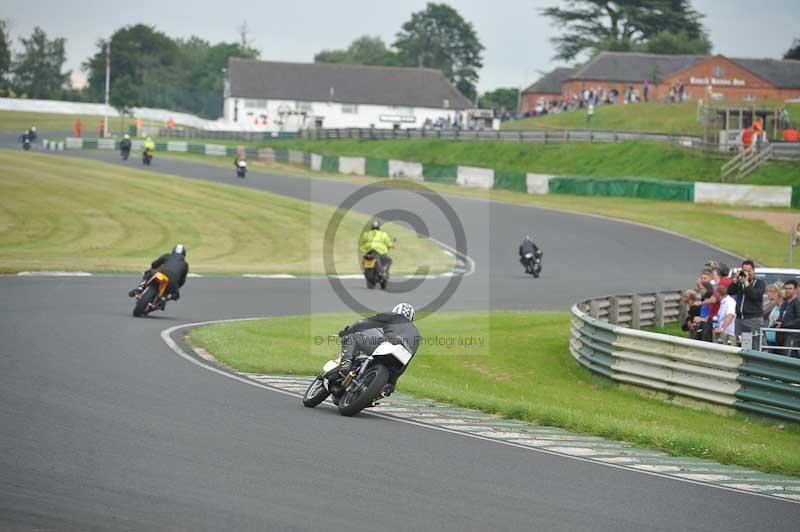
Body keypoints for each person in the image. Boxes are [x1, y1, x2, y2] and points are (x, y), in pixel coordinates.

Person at [337, 303, 419, 397]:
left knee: (352, 338)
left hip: (389, 343)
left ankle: (346, 363)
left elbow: (362, 323)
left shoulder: (393, 316)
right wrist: (392, 383)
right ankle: (380, 391)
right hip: (400, 360)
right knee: (388, 385)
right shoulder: (417, 334)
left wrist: (347, 331)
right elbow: (407, 360)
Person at [727, 260, 765, 349]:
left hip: (753, 319)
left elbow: (754, 296)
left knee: (754, 346)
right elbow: (730, 292)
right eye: (744, 270)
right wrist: (735, 280)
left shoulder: (759, 283)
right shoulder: (740, 283)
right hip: (740, 319)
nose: (746, 273)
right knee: (738, 346)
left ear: (753, 271)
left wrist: (746, 283)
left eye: (749, 271)